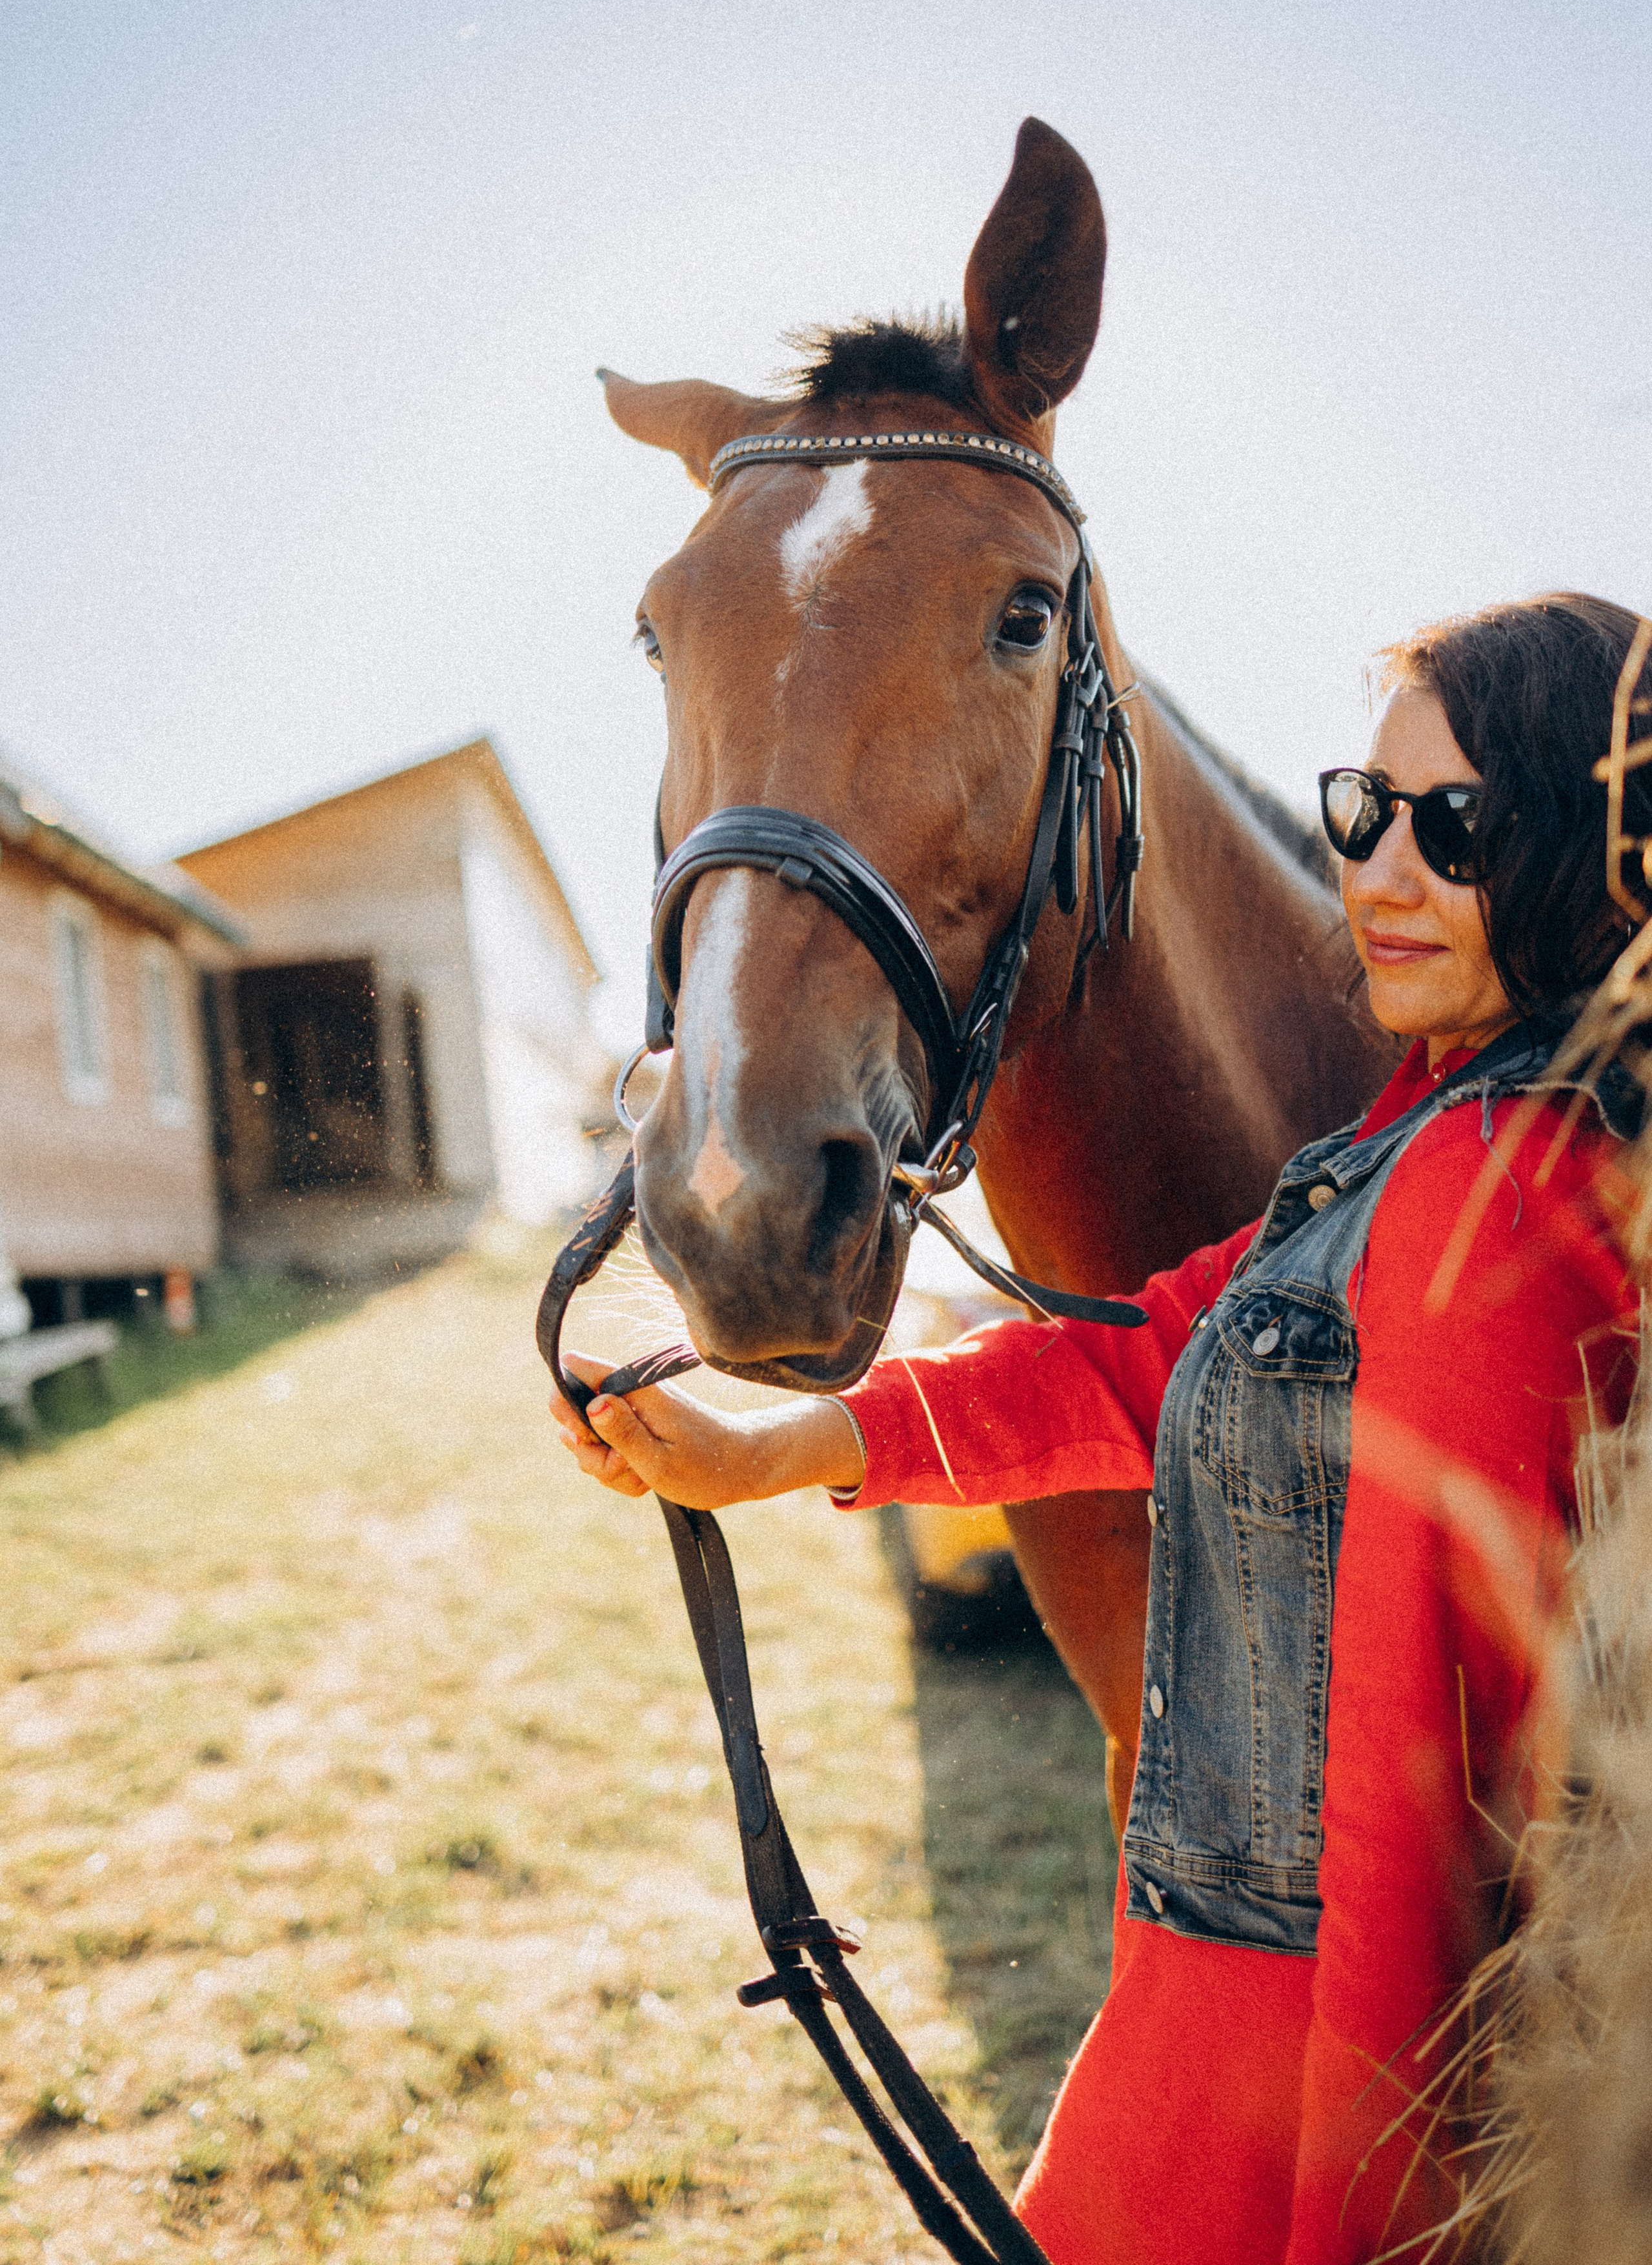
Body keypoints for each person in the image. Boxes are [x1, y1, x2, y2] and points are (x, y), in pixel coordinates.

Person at [550, 593, 1645, 2265]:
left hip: (1285, 2096)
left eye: (1461, 828)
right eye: (1363, 811)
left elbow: (1410, 1804)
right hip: (1208, 2023)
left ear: (1588, 846)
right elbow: (1147, 1355)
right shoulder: (1424, 1143)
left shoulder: (1490, 1220)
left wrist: (1356, 2210)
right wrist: (782, 1449)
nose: (1383, 870)